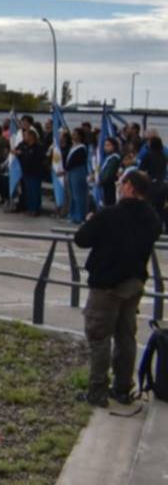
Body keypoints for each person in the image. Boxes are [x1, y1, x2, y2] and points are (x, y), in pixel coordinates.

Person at [75, 170, 161, 406]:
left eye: (122, 183)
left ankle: (97, 391)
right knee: (126, 336)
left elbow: (82, 239)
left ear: (130, 186)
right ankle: (123, 387)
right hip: (134, 282)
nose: (119, 186)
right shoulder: (152, 218)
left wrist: (91, 221)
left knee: (99, 337)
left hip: (106, 284)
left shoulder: (110, 214)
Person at [15, 128, 48, 216]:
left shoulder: (38, 147)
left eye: (26, 136)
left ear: (31, 136)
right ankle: (30, 208)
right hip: (26, 172)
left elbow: (37, 159)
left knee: (35, 191)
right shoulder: (26, 147)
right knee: (28, 191)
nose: (24, 137)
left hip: (35, 172)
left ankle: (35, 209)